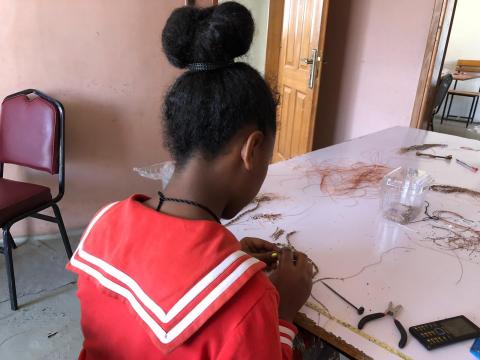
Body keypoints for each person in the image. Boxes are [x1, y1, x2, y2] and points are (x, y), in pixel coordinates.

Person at [67, 2, 313, 359]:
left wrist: (229, 262)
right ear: (251, 149)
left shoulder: (105, 224)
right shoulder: (251, 303)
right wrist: (283, 313)